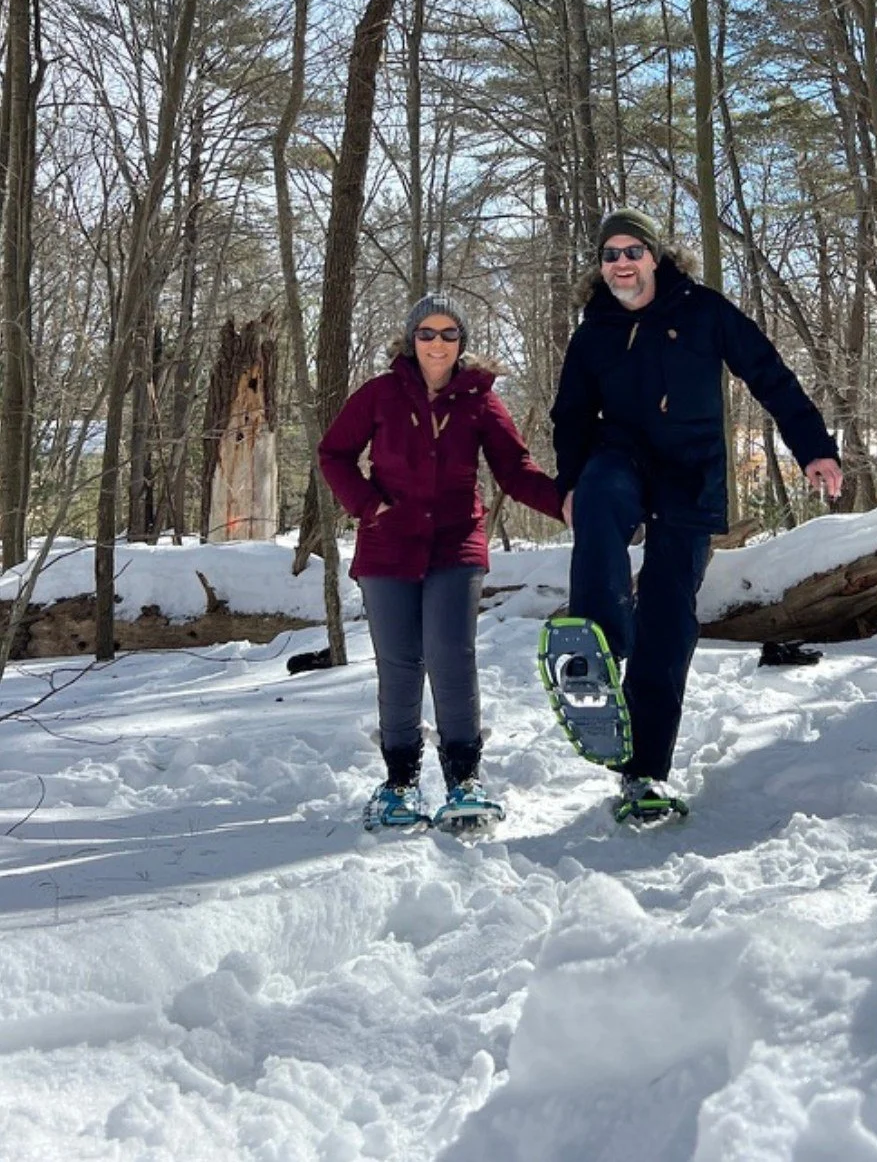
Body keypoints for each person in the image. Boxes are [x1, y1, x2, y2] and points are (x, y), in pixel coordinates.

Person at [551, 207, 843, 817]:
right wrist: (570, 484)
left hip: (690, 474)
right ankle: (598, 641)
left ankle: (645, 772)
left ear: (656, 257)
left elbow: (769, 374)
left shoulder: (703, 311)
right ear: (601, 268)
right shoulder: (593, 331)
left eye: (633, 251)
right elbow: (571, 415)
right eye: (610, 255)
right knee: (599, 494)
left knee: (668, 612)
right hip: (621, 458)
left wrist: (813, 447)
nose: (622, 263)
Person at [319, 292, 563, 828]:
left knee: (451, 656)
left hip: (455, 545)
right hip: (388, 544)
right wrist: (366, 505)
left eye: (448, 334)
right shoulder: (380, 394)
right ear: (411, 340)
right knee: (401, 663)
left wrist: (567, 503)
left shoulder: (479, 400)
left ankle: (464, 779)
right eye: (426, 333)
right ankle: (400, 783)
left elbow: (515, 470)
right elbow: (333, 453)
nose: (436, 343)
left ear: (462, 343)